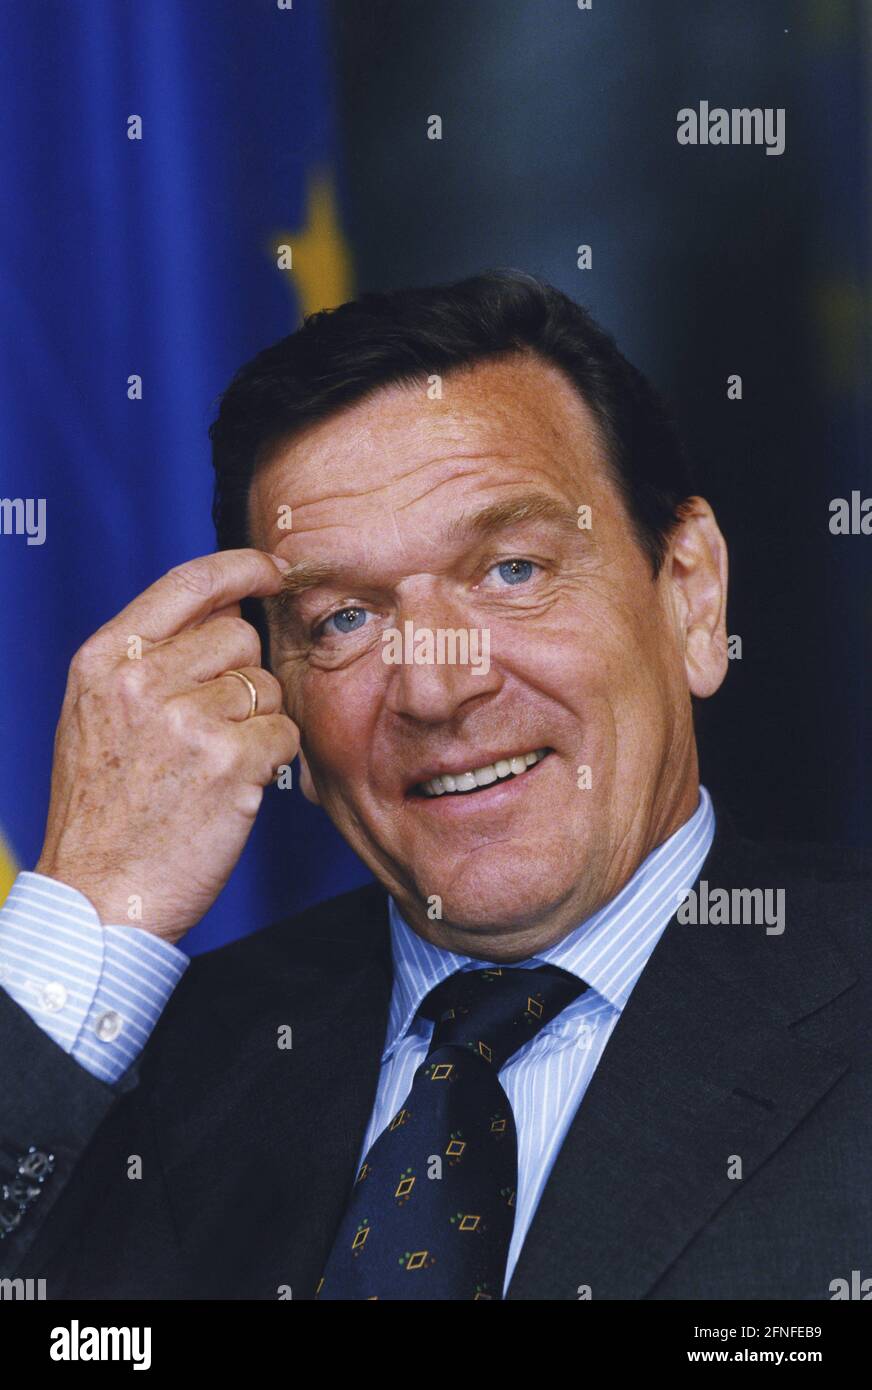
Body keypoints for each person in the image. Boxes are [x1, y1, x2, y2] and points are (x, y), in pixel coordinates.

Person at [1, 272, 868, 1300]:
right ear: (269, 694)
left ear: (688, 594)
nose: (433, 684)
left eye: (510, 569)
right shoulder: (142, 1076)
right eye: (341, 620)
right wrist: (90, 908)